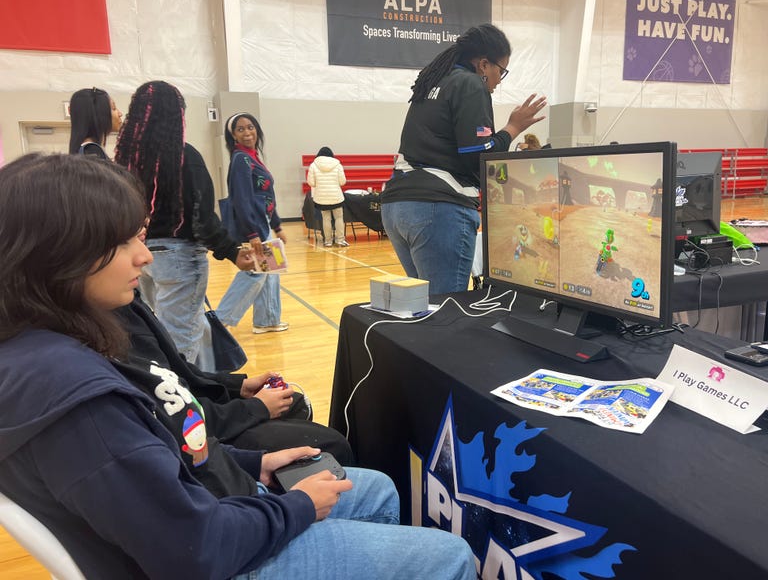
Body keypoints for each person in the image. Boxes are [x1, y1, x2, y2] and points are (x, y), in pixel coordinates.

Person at [0, 153, 477, 580]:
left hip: (216, 507)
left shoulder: (57, 342)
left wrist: (255, 464)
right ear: (60, 254)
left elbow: (166, 451)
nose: (144, 257)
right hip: (221, 551)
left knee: (375, 489)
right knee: (450, 556)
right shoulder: (76, 402)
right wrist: (297, 507)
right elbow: (195, 550)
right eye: (124, 243)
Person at [381, 23, 548, 295]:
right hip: (438, 207)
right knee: (449, 310)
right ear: (484, 65)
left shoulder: (435, 81)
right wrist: (512, 129)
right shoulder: (470, 83)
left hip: (398, 206)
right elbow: (477, 156)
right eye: (500, 71)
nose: (499, 81)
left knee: (429, 306)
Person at [118, 290, 355, 464]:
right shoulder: (114, 333)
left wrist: (237, 386)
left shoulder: (127, 304)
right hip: (201, 434)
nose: (146, 257)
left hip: (201, 415)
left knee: (296, 403)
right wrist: (256, 408)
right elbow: (177, 418)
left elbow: (180, 373)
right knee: (332, 444)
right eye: (129, 242)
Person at [115, 81, 252, 368]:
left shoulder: (128, 159)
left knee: (169, 329)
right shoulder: (184, 157)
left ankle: (202, 385)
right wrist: (232, 251)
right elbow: (202, 217)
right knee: (180, 342)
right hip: (179, 259)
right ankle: (181, 403)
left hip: (143, 256)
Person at [215, 112, 288, 334]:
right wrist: (252, 233)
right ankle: (219, 321)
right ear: (233, 136)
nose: (247, 132)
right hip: (254, 223)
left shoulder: (253, 157)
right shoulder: (240, 159)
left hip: (263, 221)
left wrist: (277, 225)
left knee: (272, 269)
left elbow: (267, 195)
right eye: (241, 129)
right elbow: (241, 199)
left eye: (250, 127)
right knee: (255, 271)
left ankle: (267, 320)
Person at [306, 146, 348, 247]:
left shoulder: (313, 165)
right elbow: (342, 182)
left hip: (321, 197)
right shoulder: (337, 165)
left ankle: (328, 241)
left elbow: (311, 183)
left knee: (326, 218)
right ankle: (340, 240)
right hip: (336, 196)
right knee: (339, 218)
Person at [68, 87, 123, 158]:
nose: (120, 114)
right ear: (99, 114)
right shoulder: (92, 152)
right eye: (114, 108)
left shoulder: (86, 151)